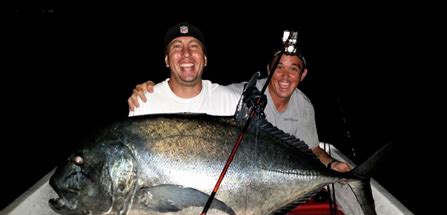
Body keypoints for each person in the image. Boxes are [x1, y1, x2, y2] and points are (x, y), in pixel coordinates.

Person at [129, 42, 352, 172]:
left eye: (293, 69)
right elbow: (205, 95)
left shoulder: (303, 105)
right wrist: (150, 88)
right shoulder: (241, 95)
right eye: (279, 67)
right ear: (269, 69)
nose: (285, 76)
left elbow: (312, 149)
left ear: (302, 75)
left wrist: (332, 165)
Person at [129, 22, 246, 215]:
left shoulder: (230, 101)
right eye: (176, 47)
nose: (185, 54)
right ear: (166, 60)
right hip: (162, 207)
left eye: (194, 47)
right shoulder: (146, 102)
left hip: (218, 205)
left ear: (204, 59)